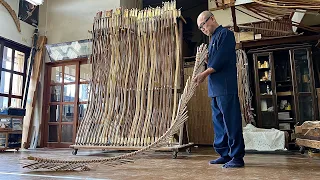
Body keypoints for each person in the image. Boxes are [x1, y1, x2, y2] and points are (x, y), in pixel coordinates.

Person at [193, 11, 245, 168]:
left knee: (231, 121)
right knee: (219, 124)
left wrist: (205, 72)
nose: (203, 29)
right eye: (200, 28)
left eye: (203, 24)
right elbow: (213, 60)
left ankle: (237, 157)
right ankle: (224, 154)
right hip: (215, 89)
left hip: (226, 87)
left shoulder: (225, 34)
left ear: (212, 19)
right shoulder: (212, 39)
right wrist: (206, 59)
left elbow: (221, 59)